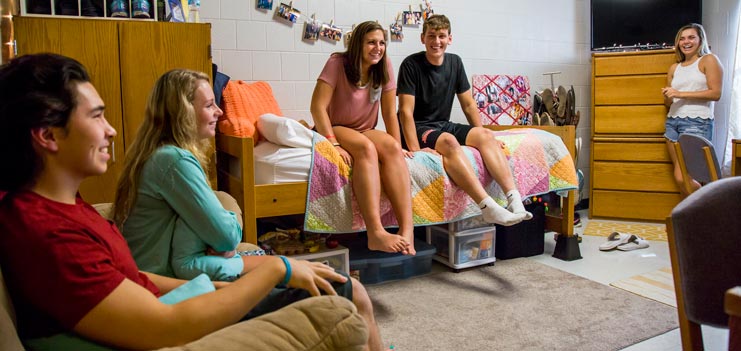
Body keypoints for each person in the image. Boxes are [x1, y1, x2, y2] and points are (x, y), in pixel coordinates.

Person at [0, 54, 384, 350]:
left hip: (179, 294)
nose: (111, 129)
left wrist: (218, 287)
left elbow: (129, 279)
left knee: (325, 282)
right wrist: (275, 269)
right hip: (171, 320)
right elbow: (162, 323)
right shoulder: (49, 232)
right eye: (97, 116)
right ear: (48, 135)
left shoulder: (62, 206)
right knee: (347, 292)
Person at [396, 14, 531, 226]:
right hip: (419, 126)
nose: (436, 41)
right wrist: (415, 148)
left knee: (485, 135)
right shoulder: (410, 65)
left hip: (442, 123)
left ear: (450, 38)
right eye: (431, 36)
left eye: (441, 36)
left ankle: (515, 200)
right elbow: (405, 112)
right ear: (423, 38)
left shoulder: (455, 62)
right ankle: (487, 206)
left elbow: (468, 105)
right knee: (449, 141)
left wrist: (484, 136)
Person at [311, 21, 417, 255]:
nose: (377, 48)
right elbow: (317, 107)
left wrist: (399, 146)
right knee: (366, 148)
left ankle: (407, 231)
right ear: (358, 43)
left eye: (381, 43)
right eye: (371, 42)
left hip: (364, 128)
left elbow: (390, 113)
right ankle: (375, 232)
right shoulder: (337, 63)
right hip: (336, 127)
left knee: (389, 147)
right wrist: (333, 143)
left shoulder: (384, 65)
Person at [662, 23, 723, 196]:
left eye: (691, 37)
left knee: (691, 176)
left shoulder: (708, 60)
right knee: (680, 175)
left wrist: (680, 93)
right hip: (673, 122)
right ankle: (694, 216)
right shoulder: (675, 67)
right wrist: (668, 96)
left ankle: (705, 210)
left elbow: (716, 93)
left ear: (700, 40)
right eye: (682, 38)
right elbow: (669, 102)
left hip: (697, 122)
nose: (686, 42)